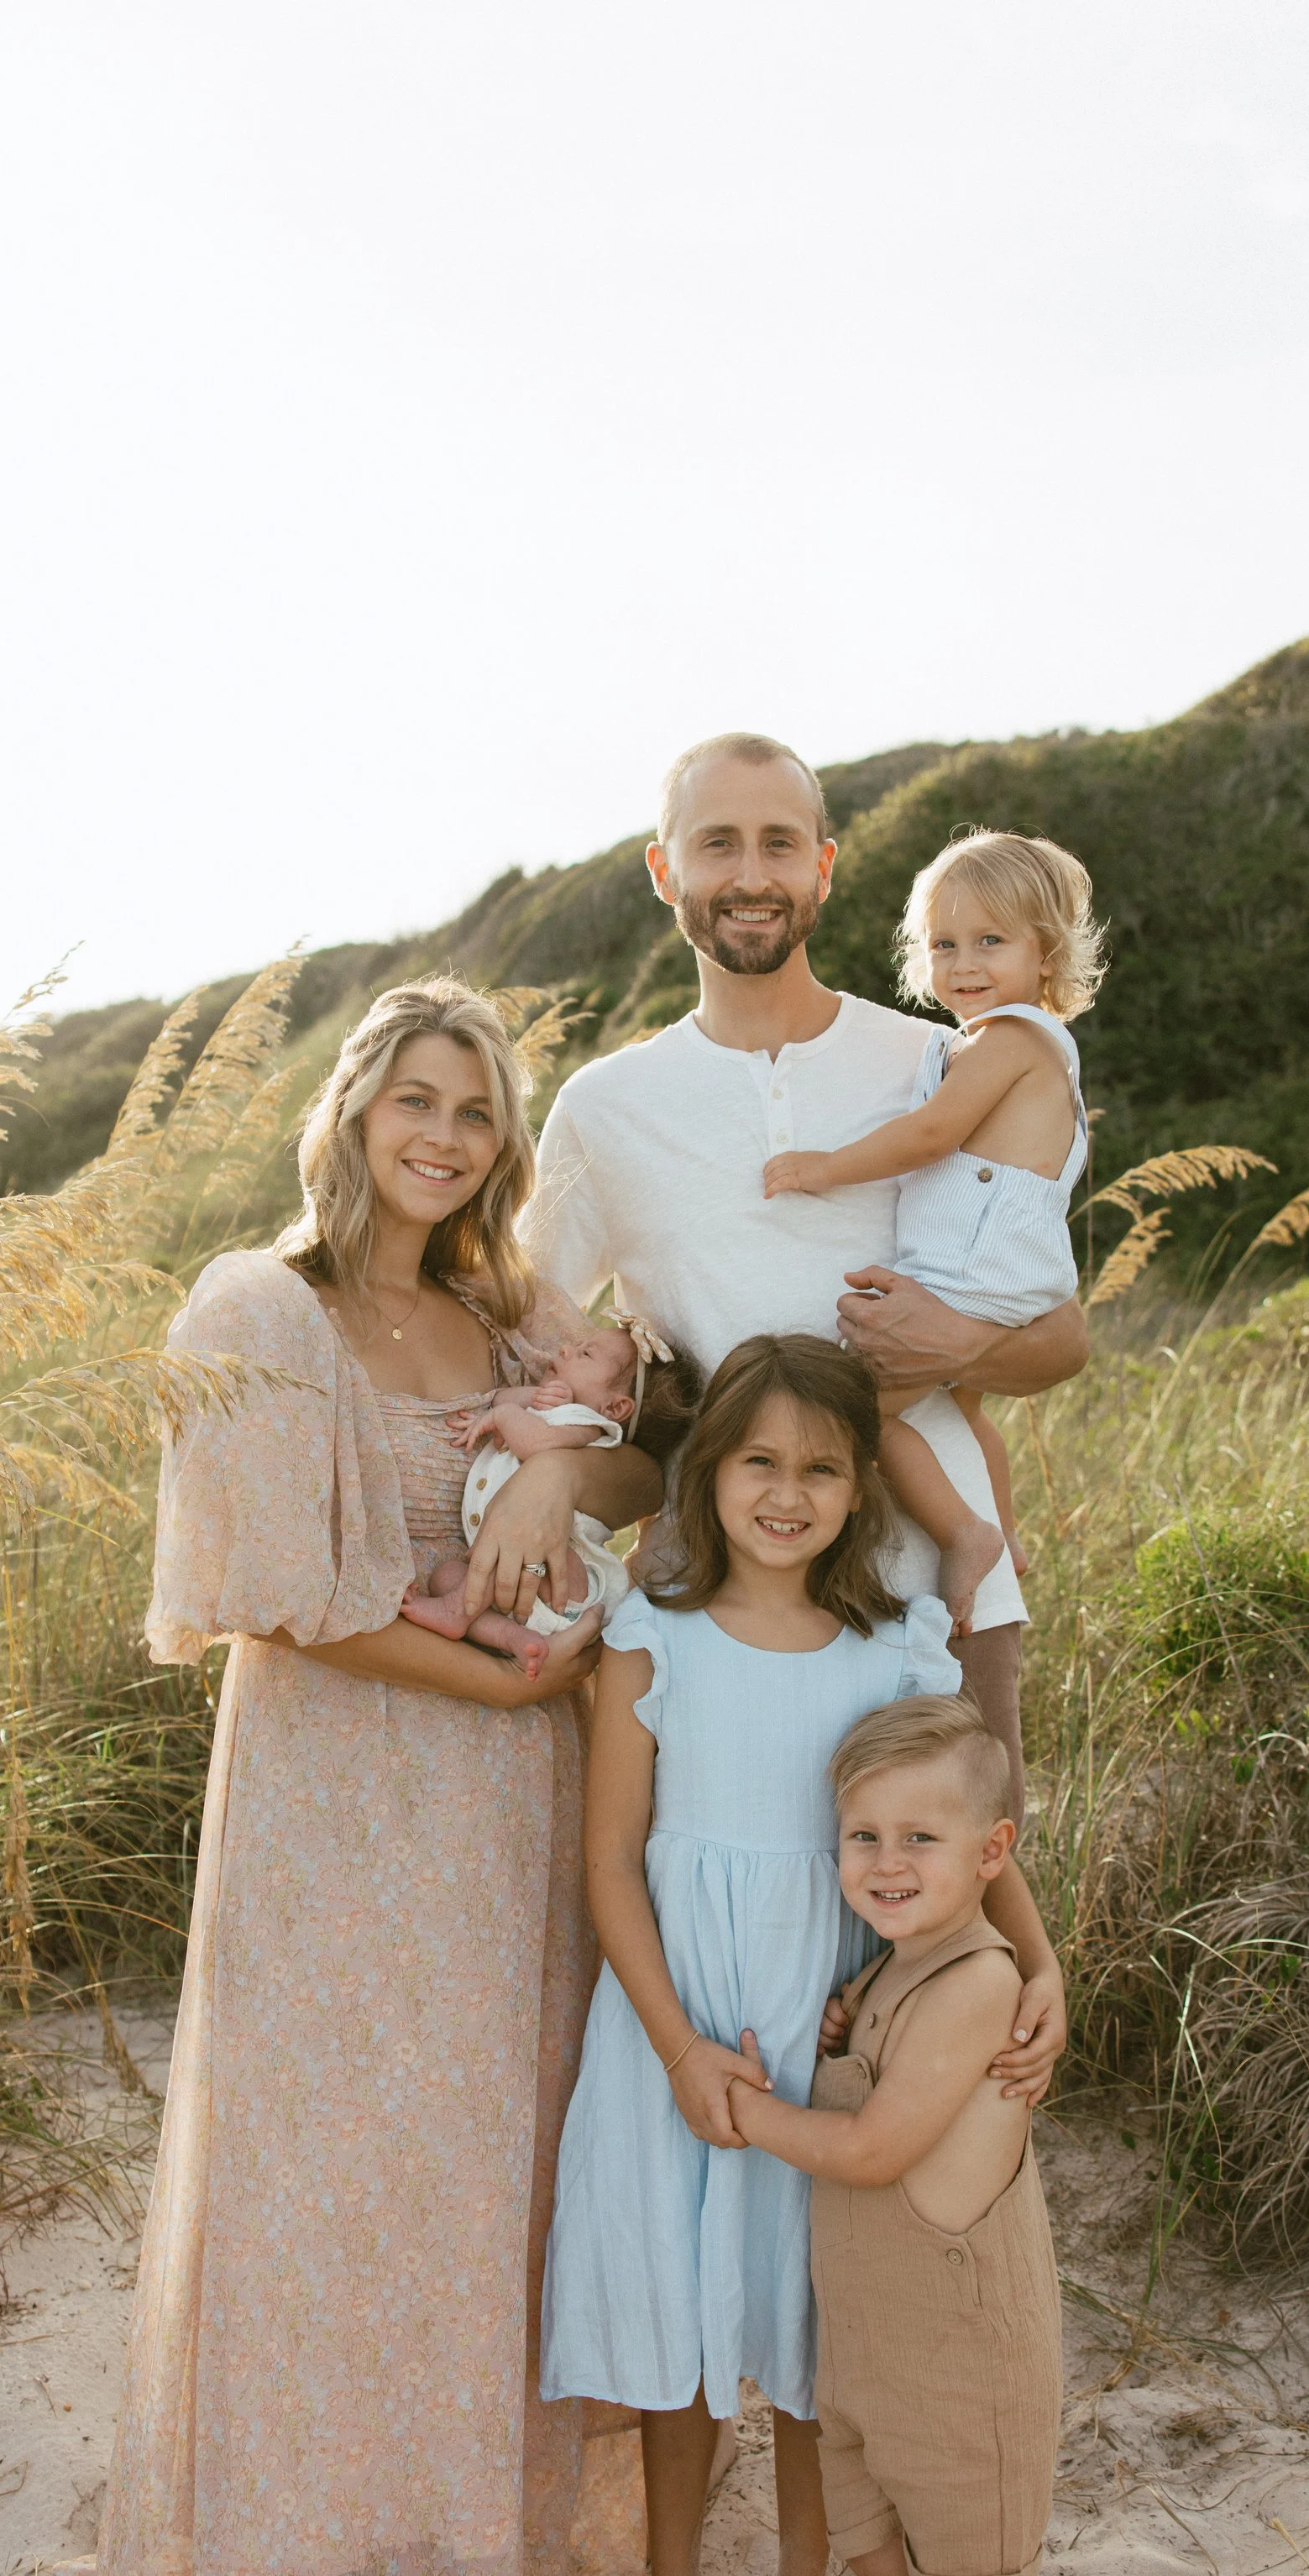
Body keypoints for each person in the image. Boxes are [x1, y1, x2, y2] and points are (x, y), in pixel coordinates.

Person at [51, 975, 661, 2576]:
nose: (444, 1136)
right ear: (350, 1110)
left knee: (477, 2173)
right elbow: (269, 1595)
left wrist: (558, 1477)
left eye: (476, 1110)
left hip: (506, 1815)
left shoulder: (499, 1304)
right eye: (416, 1099)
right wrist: (487, 1668)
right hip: (340, 1803)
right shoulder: (262, 1305)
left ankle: (456, 2560)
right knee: (323, 2185)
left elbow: (629, 1434)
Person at [540, 1333, 1070, 2576]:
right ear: (708, 1474)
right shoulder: (656, 1641)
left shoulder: (893, 1647)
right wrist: (676, 2050)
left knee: (806, 2329)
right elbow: (608, 1871)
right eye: (758, 1461)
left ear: (856, 1493)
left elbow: (964, 1828)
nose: (787, 1492)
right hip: (678, 2032)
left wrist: (1045, 1957)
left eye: (821, 1468)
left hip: (830, 2037)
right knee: (680, 2338)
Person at [529, 729, 1090, 1844]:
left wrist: (959, 1350)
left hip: (931, 1595)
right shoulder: (604, 1107)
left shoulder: (936, 1062)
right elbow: (525, 1339)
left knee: (938, 1945)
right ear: (665, 869)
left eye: (779, 844)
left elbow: (1060, 1334)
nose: (750, 874)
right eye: (718, 844)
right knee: (725, 1938)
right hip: (712, 1610)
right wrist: (550, 1487)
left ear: (823, 868)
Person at [725, 1692, 1119, 2576]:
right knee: (871, 2552)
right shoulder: (898, 1964)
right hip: (875, 2345)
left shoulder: (982, 1982)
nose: (886, 1864)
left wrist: (748, 2112)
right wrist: (847, 2028)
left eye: (921, 1839)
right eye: (864, 1837)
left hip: (961, 2357)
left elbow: (870, 2148)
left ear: (994, 1853)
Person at [763, 830, 1100, 1637]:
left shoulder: (1010, 1039)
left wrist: (825, 1167)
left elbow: (929, 1136)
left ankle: (964, 1533)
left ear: (1046, 955)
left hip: (973, 1271)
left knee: (858, 1415)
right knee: (969, 1412)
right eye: (944, 944)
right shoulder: (1000, 1045)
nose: (965, 964)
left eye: (992, 941)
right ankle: (1007, 1540)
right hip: (1008, 1269)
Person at [400, 1312, 704, 1677]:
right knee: (448, 1577)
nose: (565, 1349)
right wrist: (535, 1397)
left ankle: (458, 1612)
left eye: (585, 1354)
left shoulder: (591, 1428)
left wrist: (505, 1417)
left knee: (476, 1578)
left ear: (616, 1408)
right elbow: (500, 1399)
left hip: (559, 1581)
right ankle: (510, 1637)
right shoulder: (558, 1412)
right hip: (515, 1583)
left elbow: (535, 1443)